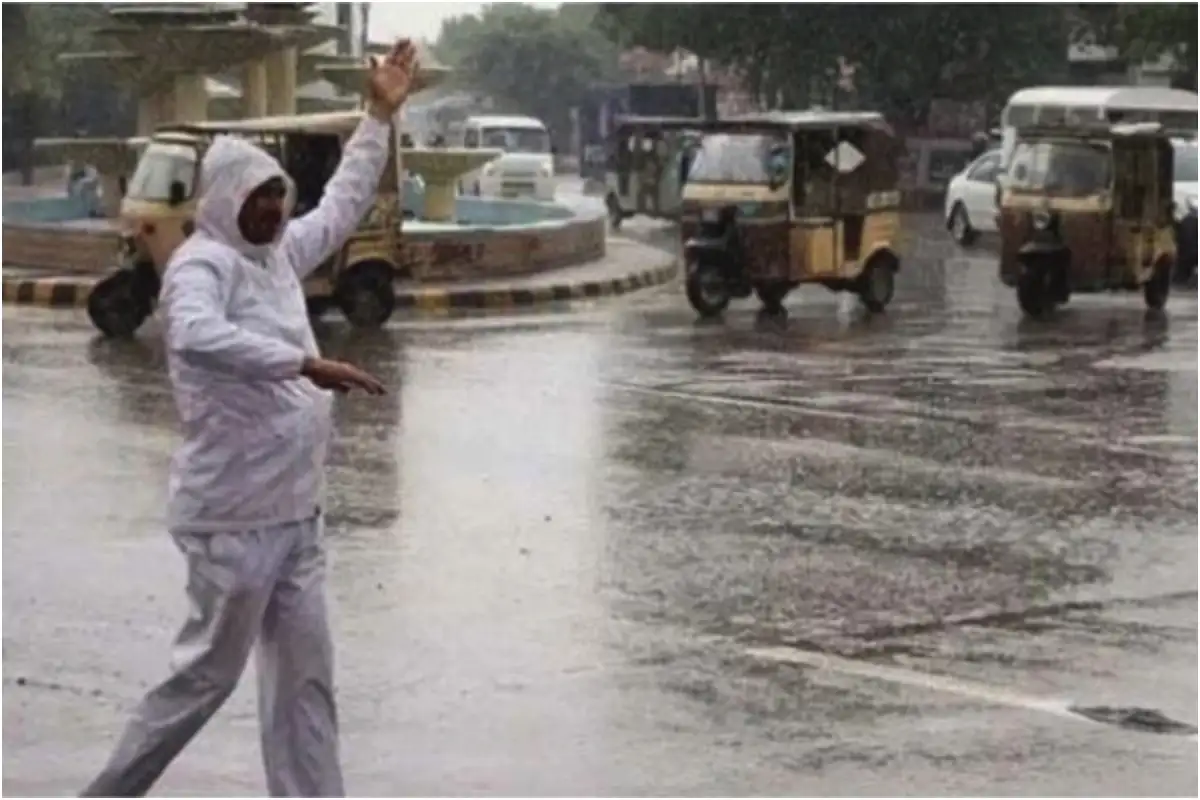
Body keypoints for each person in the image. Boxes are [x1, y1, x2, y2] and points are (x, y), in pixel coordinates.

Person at [80, 39, 419, 798]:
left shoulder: (277, 257)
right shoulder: (203, 265)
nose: (274, 209)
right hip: (232, 523)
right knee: (204, 680)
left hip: (296, 517)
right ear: (226, 199)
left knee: (306, 686)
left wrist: (377, 116)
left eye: (278, 196)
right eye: (258, 197)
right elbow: (196, 335)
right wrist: (303, 363)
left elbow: (341, 205)